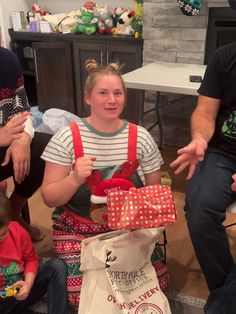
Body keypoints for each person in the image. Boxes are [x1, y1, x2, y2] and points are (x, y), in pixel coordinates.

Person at [41, 59, 164, 307]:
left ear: (125, 98)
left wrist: (144, 223)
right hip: (78, 231)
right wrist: (75, 178)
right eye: (103, 93)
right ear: (88, 97)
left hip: (128, 231)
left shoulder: (141, 137)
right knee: (83, 296)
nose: (112, 100)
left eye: (118, 93)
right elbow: (49, 198)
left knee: (151, 288)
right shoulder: (67, 138)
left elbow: (153, 192)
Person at [170, 42, 236, 312]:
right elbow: (206, 111)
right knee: (198, 211)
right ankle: (226, 295)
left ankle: (222, 304)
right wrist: (199, 137)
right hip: (221, 152)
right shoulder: (225, 56)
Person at [0, 41, 52, 240]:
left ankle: (12, 215)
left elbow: (22, 109)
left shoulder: (7, 60)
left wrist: (23, 139)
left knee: (46, 147)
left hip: (9, 139)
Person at [0, 192, 67, 314]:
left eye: (2, 234)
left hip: (22, 289)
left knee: (57, 266)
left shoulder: (17, 231)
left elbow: (31, 258)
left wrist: (28, 284)